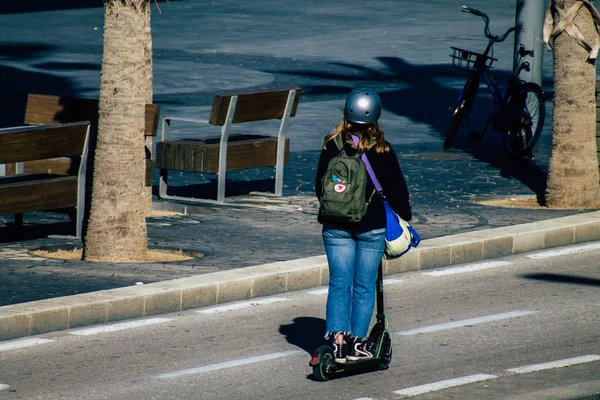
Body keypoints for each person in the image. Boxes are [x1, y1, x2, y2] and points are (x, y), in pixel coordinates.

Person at [315, 88, 412, 363]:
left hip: (334, 226)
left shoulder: (331, 144)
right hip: (371, 227)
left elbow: (320, 186)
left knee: (339, 283)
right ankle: (357, 343)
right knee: (364, 285)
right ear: (376, 115)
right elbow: (397, 191)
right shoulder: (381, 149)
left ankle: (337, 341)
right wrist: (405, 215)